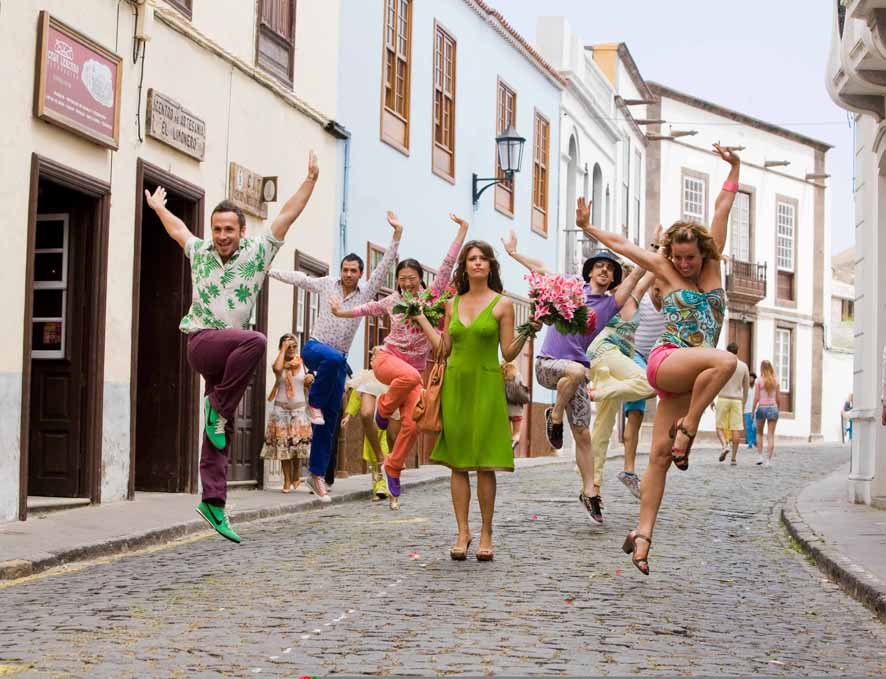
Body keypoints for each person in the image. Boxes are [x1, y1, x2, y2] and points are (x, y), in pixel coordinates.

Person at [575, 142, 741, 574]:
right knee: (725, 362)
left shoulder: (713, 266)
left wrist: (734, 168)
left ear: (704, 253)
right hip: (668, 361)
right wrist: (588, 226)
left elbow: (722, 207)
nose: (684, 264)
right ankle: (689, 429)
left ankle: (642, 536)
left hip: (692, 379)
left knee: (658, 459)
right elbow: (623, 244)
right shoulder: (665, 269)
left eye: (691, 258)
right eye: (679, 257)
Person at [144, 151, 319, 543]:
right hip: (203, 342)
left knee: (218, 431)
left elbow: (286, 216)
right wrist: (157, 208)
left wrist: (309, 182)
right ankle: (217, 412)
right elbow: (176, 230)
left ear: (241, 231)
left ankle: (214, 503)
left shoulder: (258, 253)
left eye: (229, 230)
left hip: (228, 360)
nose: (222, 236)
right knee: (257, 341)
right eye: (217, 229)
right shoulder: (200, 253)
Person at [500, 230, 645, 524]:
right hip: (548, 364)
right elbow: (540, 270)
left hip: (574, 377)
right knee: (578, 371)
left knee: (582, 434)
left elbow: (637, 276)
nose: (605, 270)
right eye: (600, 266)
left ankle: (590, 492)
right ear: (590, 271)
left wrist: (655, 247)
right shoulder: (570, 288)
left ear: (614, 278)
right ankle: (554, 416)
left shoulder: (610, 304)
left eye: (611, 269)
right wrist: (514, 254)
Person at [330, 214, 468, 506]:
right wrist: (340, 313)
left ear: (420, 280)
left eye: (411, 278)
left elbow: (447, 265)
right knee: (410, 379)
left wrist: (462, 230)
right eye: (402, 279)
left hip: (412, 373)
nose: (406, 283)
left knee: (411, 425)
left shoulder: (431, 299)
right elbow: (366, 309)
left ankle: (392, 467)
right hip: (388, 362)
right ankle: (383, 408)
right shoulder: (392, 301)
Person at [415, 241, 540, 561]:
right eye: (472, 259)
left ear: (491, 266)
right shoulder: (451, 304)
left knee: (485, 464)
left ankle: (486, 532)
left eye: (483, 259)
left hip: (486, 384)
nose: (478, 263)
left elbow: (509, 352)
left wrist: (529, 330)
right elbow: (442, 349)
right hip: (455, 384)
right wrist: (421, 319)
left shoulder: (502, 305)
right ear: (465, 266)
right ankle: (462, 532)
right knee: (458, 464)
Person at [268, 211, 403, 503]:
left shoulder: (366, 293)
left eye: (354, 270)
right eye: (345, 269)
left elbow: (384, 268)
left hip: (338, 362)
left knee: (329, 421)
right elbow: (300, 279)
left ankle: (315, 476)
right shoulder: (327, 284)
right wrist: (269, 271)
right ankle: (314, 404)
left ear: (360, 274)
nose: (348, 274)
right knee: (331, 362)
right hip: (315, 348)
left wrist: (396, 236)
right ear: (340, 270)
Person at [583, 265, 657, 522]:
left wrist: (662, 247)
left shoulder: (634, 298)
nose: (619, 280)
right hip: (603, 353)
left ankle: (592, 490)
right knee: (650, 382)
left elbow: (651, 270)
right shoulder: (608, 302)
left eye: (621, 276)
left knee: (602, 430)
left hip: (616, 362)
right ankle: (602, 390)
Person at [619, 278, 666, 499]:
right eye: (655, 288)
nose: (659, 292)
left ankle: (629, 471)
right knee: (643, 390)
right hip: (634, 354)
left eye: (662, 289)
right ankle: (629, 468)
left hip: (657, 358)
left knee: (636, 417)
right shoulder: (642, 301)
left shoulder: (671, 306)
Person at [341, 361, 402, 504]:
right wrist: (349, 415)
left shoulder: (391, 379)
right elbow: (356, 397)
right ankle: (378, 486)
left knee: (386, 451)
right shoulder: (366, 378)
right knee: (375, 455)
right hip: (372, 425)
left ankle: (386, 484)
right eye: (374, 356)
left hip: (387, 422)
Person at [261, 334, 313, 492]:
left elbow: (310, 378)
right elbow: (276, 369)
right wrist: (282, 350)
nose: (291, 349)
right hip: (281, 409)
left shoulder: (302, 363)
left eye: (294, 346)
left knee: (296, 447)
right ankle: (287, 480)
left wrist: (310, 378)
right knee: (284, 447)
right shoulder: (280, 364)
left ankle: (296, 475)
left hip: (298, 409)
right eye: (288, 346)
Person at [715, 343, 749, 466]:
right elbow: (746, 387)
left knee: (719, 426)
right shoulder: (743, 366)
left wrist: (712, 399)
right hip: (736, 400)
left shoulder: (723, 364)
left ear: (727, 351)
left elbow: (716, 382)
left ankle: (724, 445)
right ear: (737, 352)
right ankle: (734, 458)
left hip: (723, 397)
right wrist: (743, 402)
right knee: (736, 429)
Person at [753, 360, 780, 467]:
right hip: (773, 408)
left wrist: (752, 410)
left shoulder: (758, 381)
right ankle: (768, 460)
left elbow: (756, 398)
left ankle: (760, 457)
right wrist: (779, 408)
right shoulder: (776, 381)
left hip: (762, 408)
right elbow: (778, 398)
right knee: (770, 435)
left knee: (759, 433)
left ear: (761, 368)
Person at [502, 361, 530, 452]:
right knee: (516, 432)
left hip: (505, 408)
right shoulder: (517, 374)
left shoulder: (501, 375)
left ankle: (507, 450)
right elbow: (521, 388)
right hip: (517, 409)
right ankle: (514, 442)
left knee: (507, 433)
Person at [744, 371, 757, 450]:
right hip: (746, 410)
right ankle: (750, 443)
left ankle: (755, 441)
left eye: (752, 378)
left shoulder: (756, 387)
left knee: (754, 426)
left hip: (755, 409)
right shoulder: (745, 388)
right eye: (749, 378)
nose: (750, 379)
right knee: (748, 427)